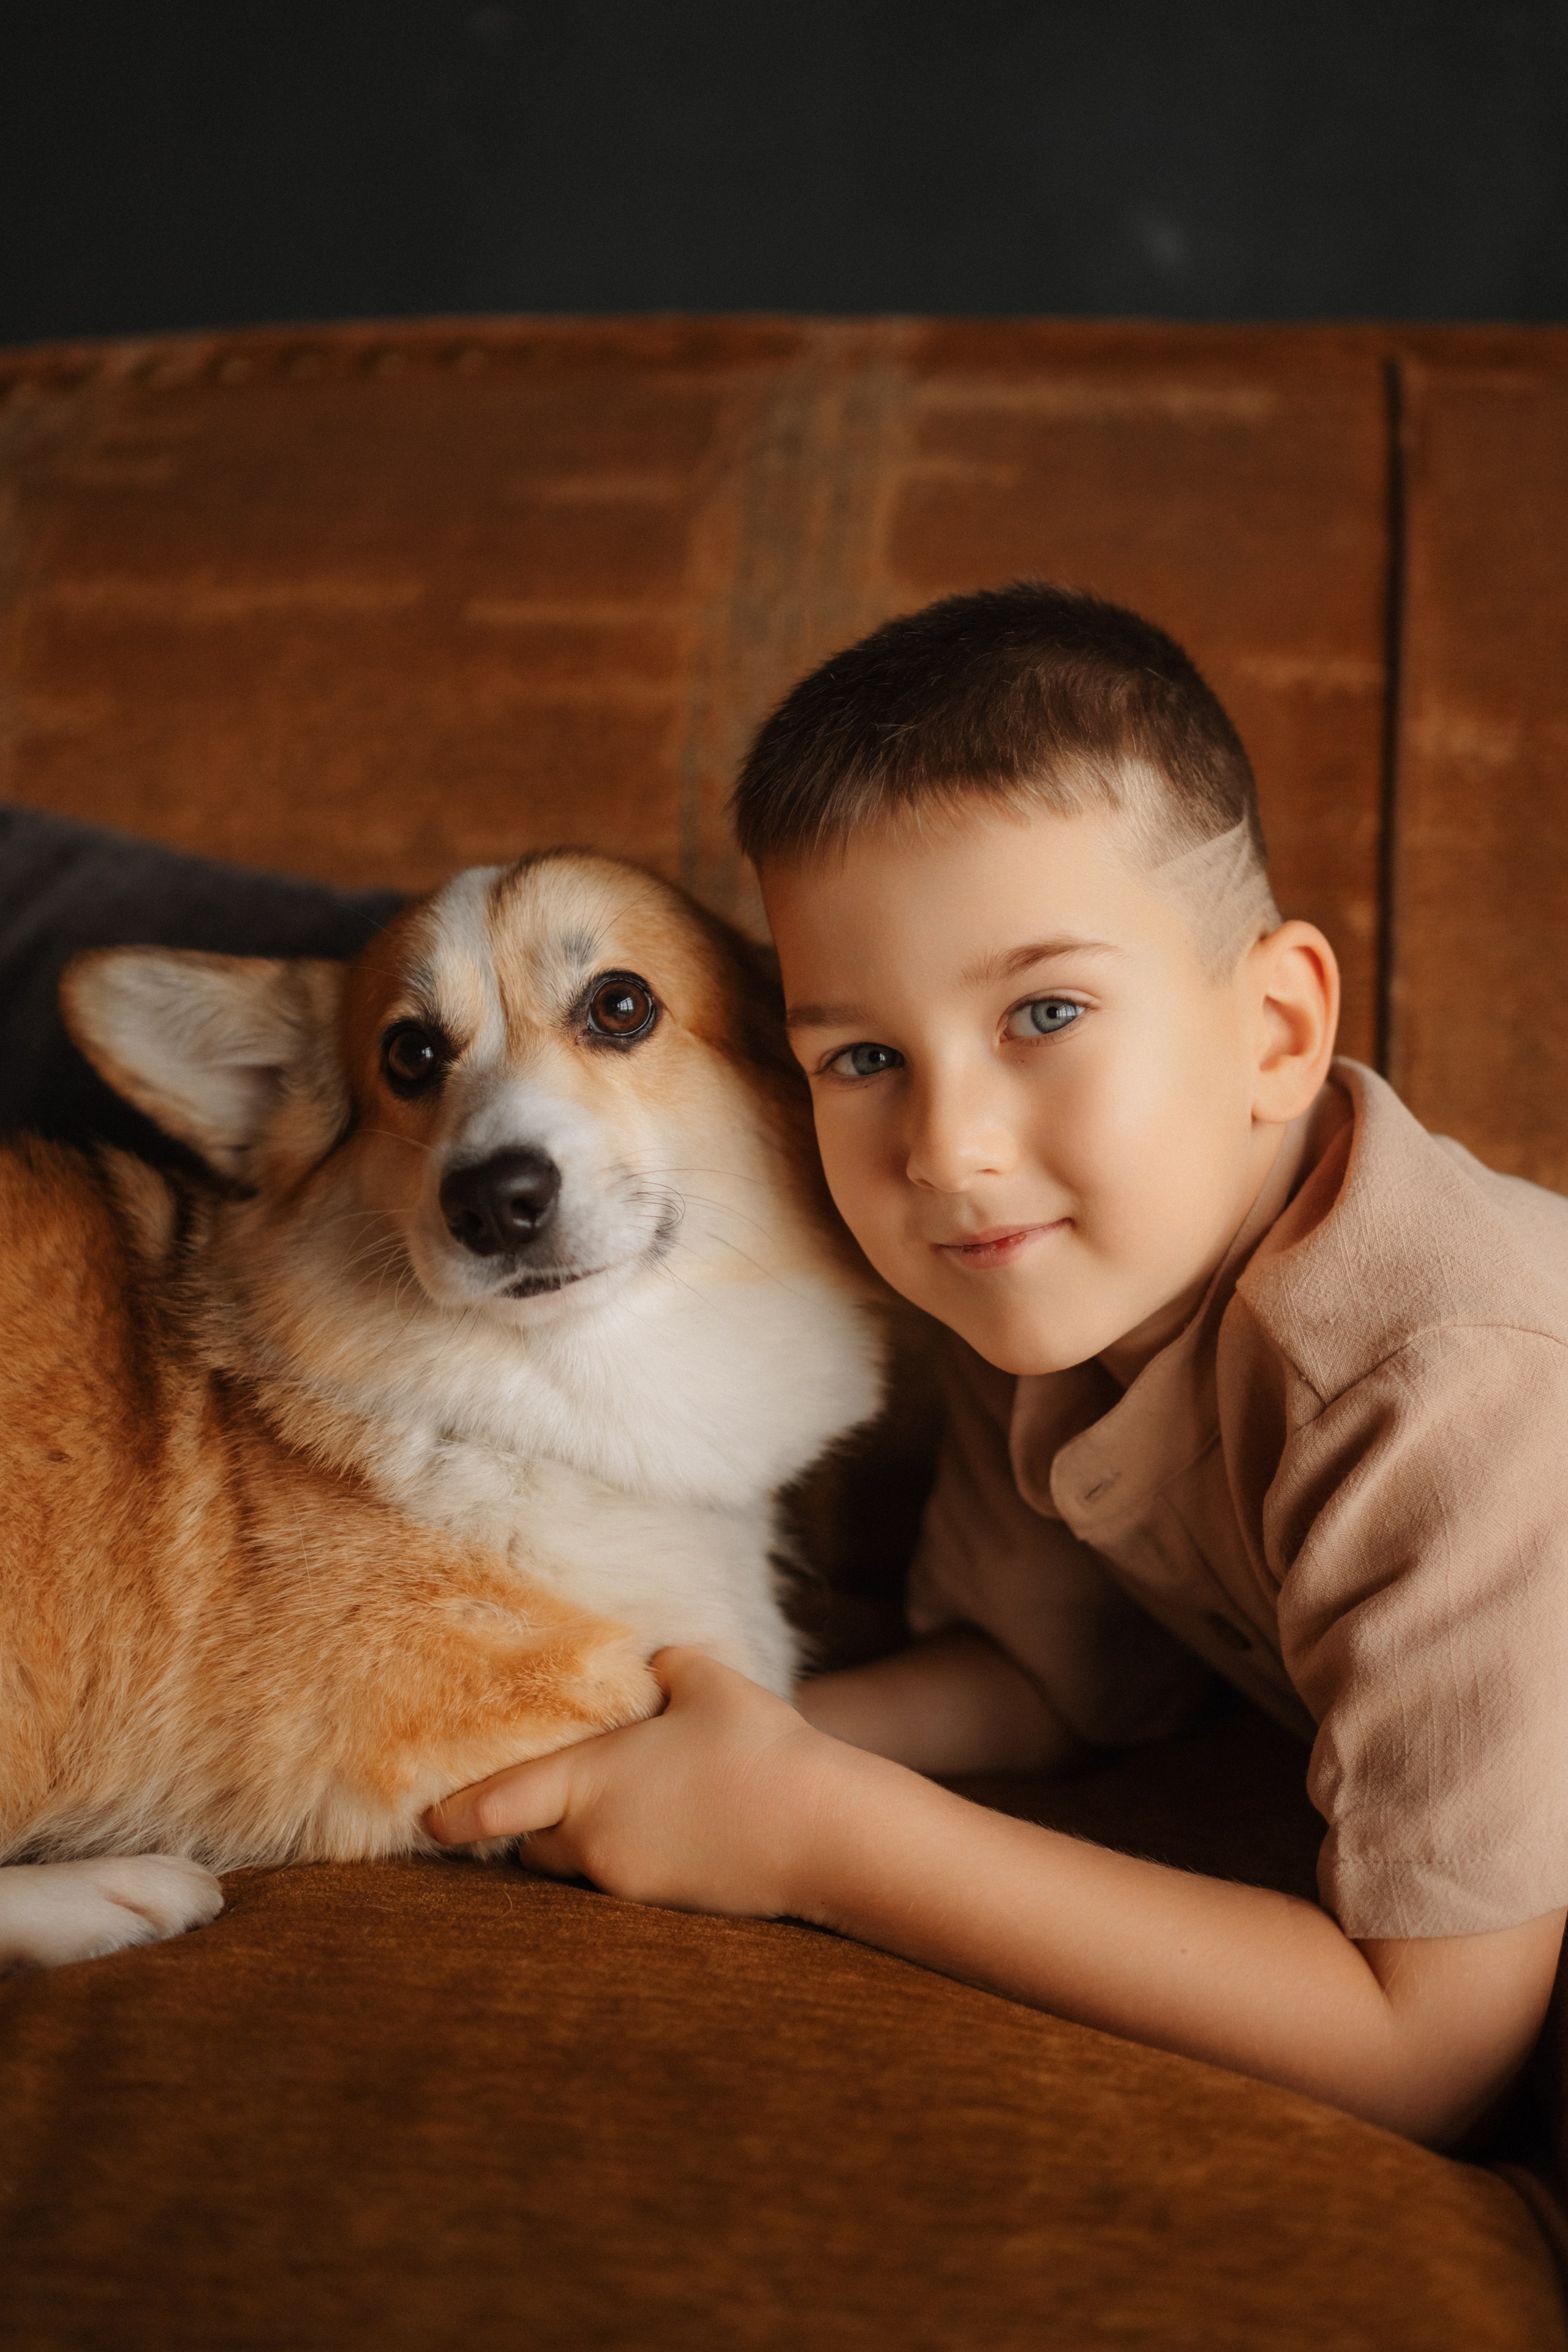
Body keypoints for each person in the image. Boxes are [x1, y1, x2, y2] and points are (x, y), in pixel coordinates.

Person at [428, 581, 1568, 2148]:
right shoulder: (1043, 1285)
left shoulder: (1446, 1380)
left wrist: (815, 1832)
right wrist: (690, 1740)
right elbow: (1053, 1682)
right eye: (862, 1058)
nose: (945, 1150)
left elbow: (1423, 2050)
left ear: (1275, 1029)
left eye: (1044, 1011)